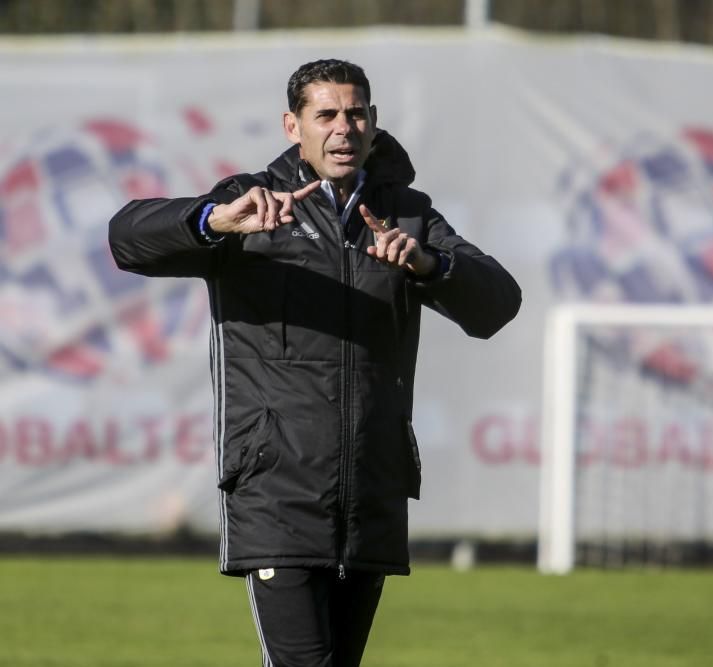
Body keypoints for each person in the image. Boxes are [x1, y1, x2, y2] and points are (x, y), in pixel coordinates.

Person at [109, 58, 521, 667]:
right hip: (276, 491)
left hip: (371, 490)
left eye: (355, 113)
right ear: (292, 125)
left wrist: (432, 264)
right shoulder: (250, 205)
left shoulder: (409, 216)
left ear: (374, 123)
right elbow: (126, 238)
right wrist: (214, 221)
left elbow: (498, 304)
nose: (342, 128)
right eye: (325, 114)